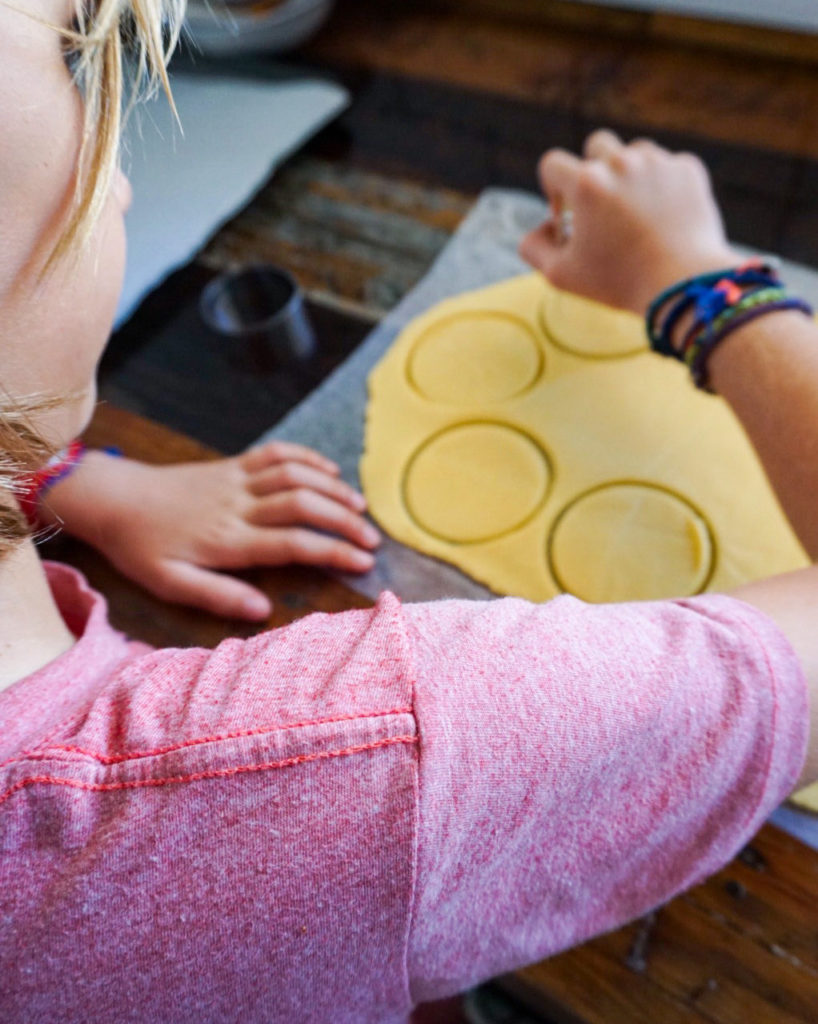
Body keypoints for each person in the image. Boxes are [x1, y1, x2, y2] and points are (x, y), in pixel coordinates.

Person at [1, 2, 816, 1022]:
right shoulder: (356, 761)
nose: (118, 177)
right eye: (70, 57)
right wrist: (700, 280)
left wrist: (64, 476)